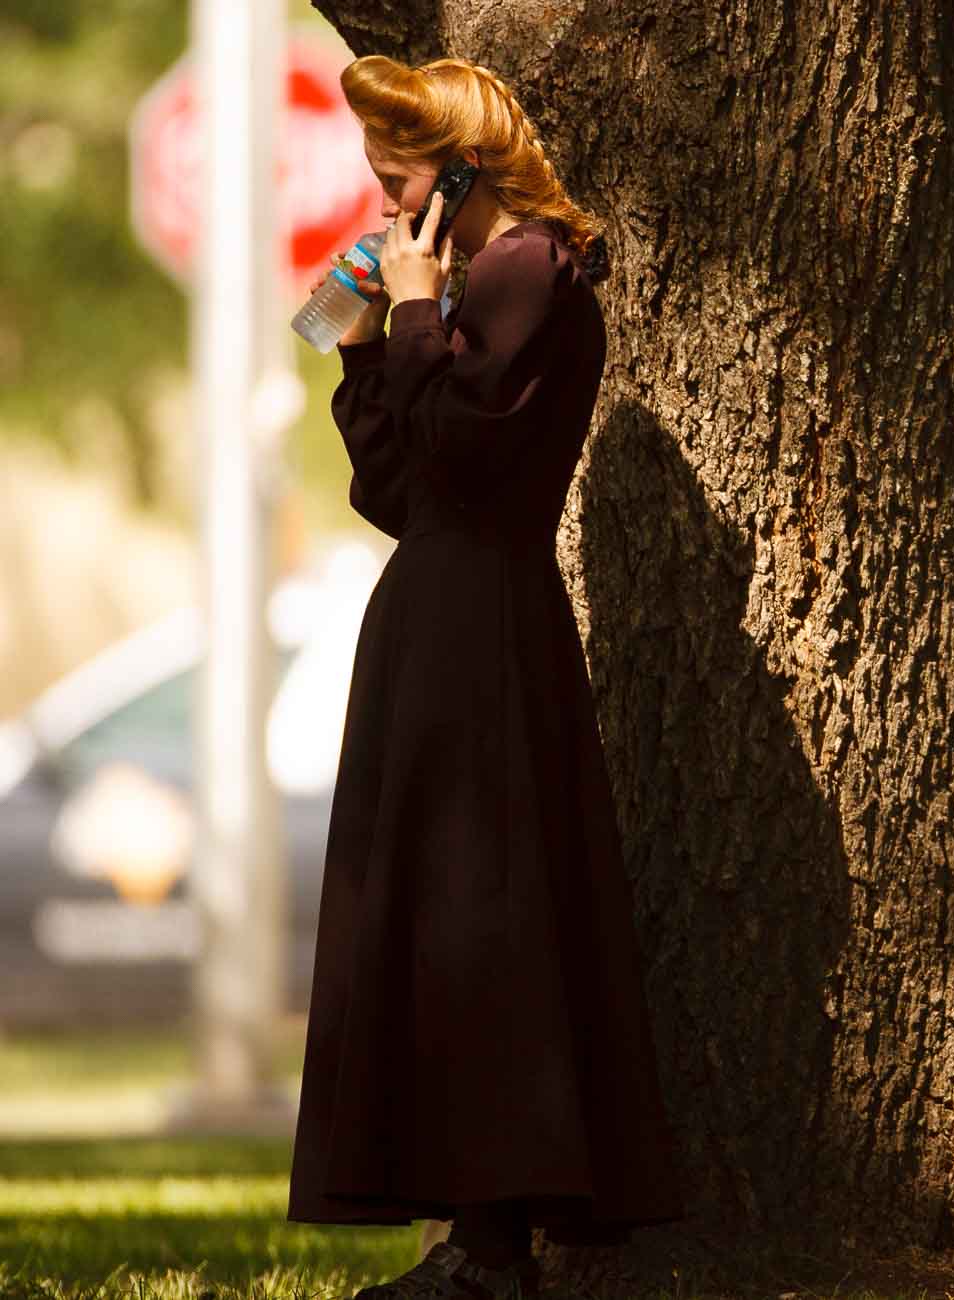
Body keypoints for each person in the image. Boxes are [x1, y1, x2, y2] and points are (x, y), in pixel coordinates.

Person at [288, 55, 681, 1299]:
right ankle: (471, 1232)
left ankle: (500, 1241)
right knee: (435, 915)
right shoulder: (461, 283)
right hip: (433, 613)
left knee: (487, 913)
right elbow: (396, 488)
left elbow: (471, 452)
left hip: (490, 620)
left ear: (459, 162)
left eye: (394, 170)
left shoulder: (530, 269)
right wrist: (360, 341)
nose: (380, 194)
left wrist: (412, 315)